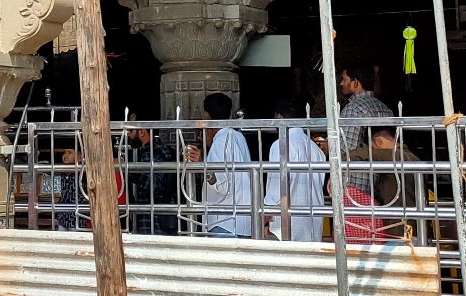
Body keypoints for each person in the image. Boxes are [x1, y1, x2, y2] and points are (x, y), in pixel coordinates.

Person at [192, 93, 258, 237]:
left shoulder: (220, 142)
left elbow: (221, 184)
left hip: (224, 221)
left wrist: (202, 166)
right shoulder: (238, 137)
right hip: (243, 222)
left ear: (206, 116)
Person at [262, 100, 326, 241]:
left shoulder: (281, 144)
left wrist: (262, 219)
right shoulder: (315, 149)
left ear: (279, 117)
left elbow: (276, 191)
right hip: (312, 227)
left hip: (285, 228)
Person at [337, 61, 393, 201]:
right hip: (381, 182)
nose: (341, 84)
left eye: (344, 79)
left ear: (356, 83)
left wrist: (329, 147)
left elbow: (346, 150)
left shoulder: (353, 109)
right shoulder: (384, 108)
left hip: (357, 183)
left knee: (356, 222)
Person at [124, 124, 183, 236]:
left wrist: (131, 170)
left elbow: (154, 184)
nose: (128, 134)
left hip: (153, 220)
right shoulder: (166, 150)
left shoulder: (149, 152)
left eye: (131, 130)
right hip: (167, 218)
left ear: (142, 131)